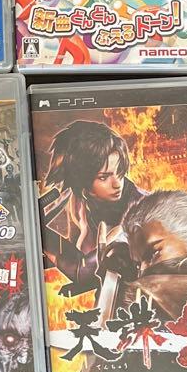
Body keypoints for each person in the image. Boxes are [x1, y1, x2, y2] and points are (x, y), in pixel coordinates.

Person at [39, 120, 145, 293]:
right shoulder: (77, 199)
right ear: (83, 183)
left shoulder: (140, 212)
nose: (117, 184)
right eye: (104, 177)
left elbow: (83, 272)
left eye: (119, 172)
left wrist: (38, 231)